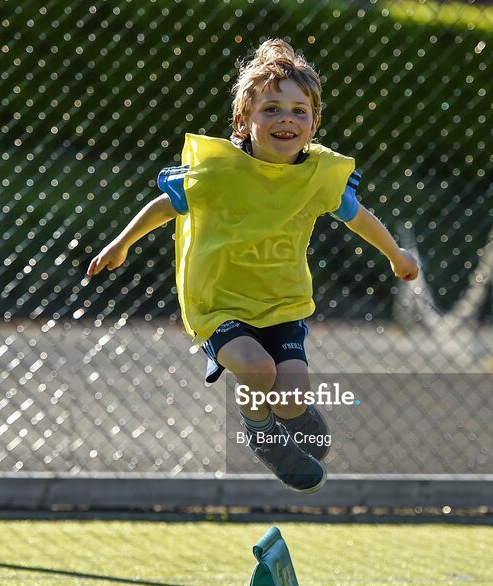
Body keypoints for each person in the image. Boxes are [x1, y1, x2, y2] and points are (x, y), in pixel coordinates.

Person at [88, 38, 419, 493]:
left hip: (281, 303)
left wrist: (396, 256)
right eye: (271, 109)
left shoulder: (320, 177)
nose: (286, 118)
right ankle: (260, 434)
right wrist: (120, 244)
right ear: (244, 120)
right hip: (218, 302)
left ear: (314, 122)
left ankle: (285, 416)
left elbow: (359, 218)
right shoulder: (218, 171)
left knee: (290, 397)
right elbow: (165, 207)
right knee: (256, 368)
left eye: (299, 111)